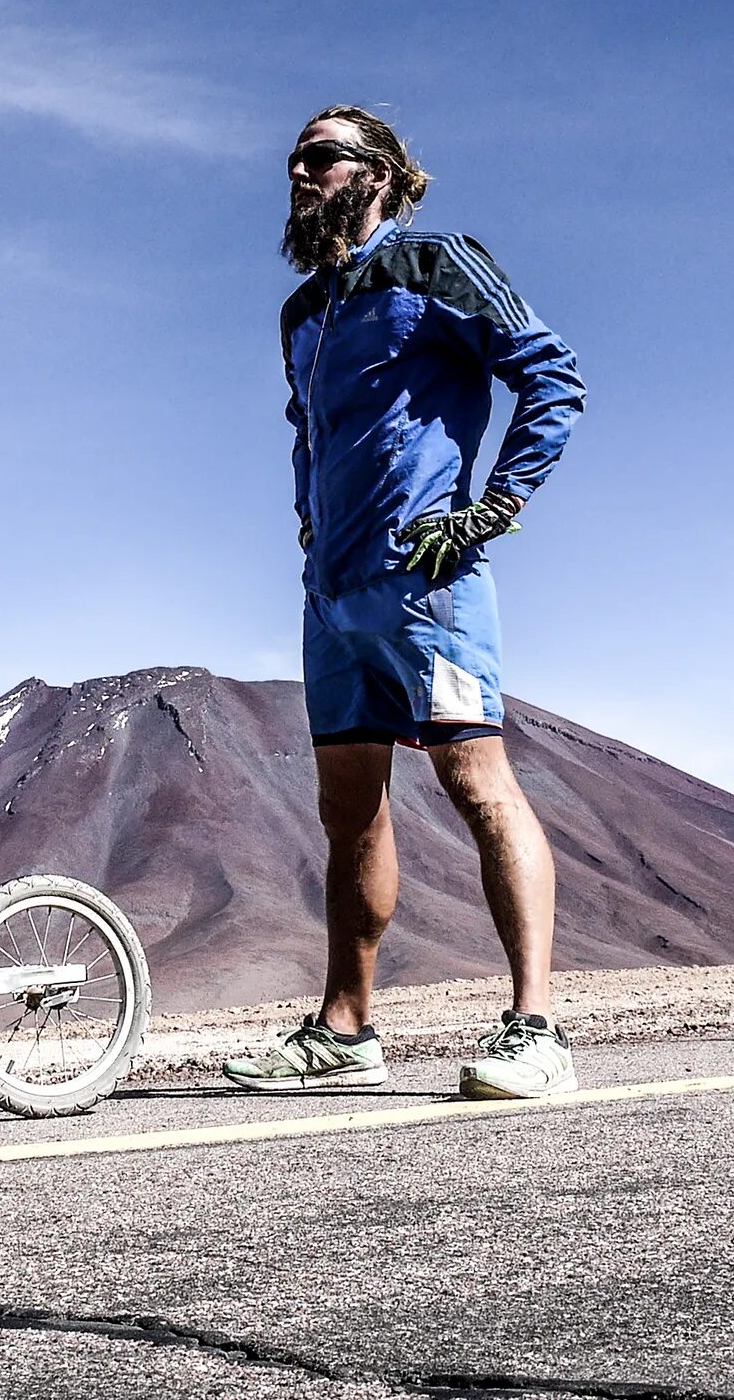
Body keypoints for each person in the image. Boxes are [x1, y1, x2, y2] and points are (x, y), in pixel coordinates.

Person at [221, 105, 587, 1100]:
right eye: (293, 158)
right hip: (332, 595)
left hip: (430, 585)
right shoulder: (303, 313)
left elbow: (550, 377)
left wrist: (493, 508)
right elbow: (309, 437)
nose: (300, 171)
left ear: (379, 173)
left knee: (477, 784)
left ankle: (535, 1028)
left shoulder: (435, 266)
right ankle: (345, 1031)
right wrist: (308, 533)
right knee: (349, 812)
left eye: (323, 156)